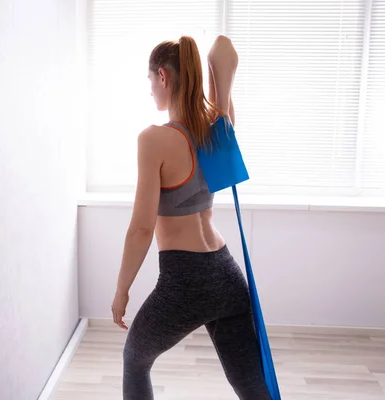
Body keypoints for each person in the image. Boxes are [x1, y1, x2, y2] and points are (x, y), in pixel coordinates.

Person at [110, 35, 271, 400]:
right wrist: (213, 83)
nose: (150, 90)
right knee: (251, 385)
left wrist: (122, 291)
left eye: (150, 81)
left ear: (163, 77)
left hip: (184, 280)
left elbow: (141, 229)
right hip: (227, 275)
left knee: (135, 360)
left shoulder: (153, 140)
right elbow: (225, 50)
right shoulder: (216, 124)